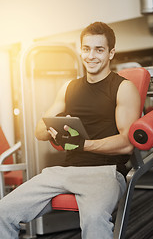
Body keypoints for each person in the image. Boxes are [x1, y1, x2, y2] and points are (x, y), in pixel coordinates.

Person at [0, 22, 141, 239]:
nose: (91, 56)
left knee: (94, 219)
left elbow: (126, 143)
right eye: (86, 49)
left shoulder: (123, 88)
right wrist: (55, 131)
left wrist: (84, 144)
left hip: (105, 172)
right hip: (64, 171)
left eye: (99, 49)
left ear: (111, 53)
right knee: (3, 210)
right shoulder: (69, 87)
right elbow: (39, 130)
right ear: (81, 50)